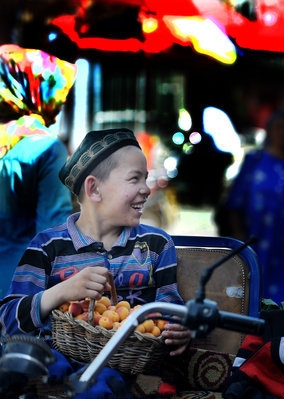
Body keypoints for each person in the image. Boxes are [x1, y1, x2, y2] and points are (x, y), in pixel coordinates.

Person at [0, 128, 191, 397]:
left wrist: (180, 329)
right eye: (134, 179)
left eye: (145, 179)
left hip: (123, 366)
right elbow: (7, 320)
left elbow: (170, 310)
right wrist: (60, 292)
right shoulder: (47, 246)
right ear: (94, 188)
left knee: (100, 382)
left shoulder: (157, 245)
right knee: (22, 369)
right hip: (56, 359)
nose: (146, 190)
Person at [0, 44, 76, 298]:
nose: (60, 103)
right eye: (57, 92)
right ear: (34, 90)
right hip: (18, 293)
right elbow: (53, 236)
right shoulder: (45, 148)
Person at [224, 110, 284, 305]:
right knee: (253, 294)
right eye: (279, 128)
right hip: (255, 240)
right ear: (269, 131)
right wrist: (240, 237)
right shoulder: (254, 161)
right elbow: (235, 202)